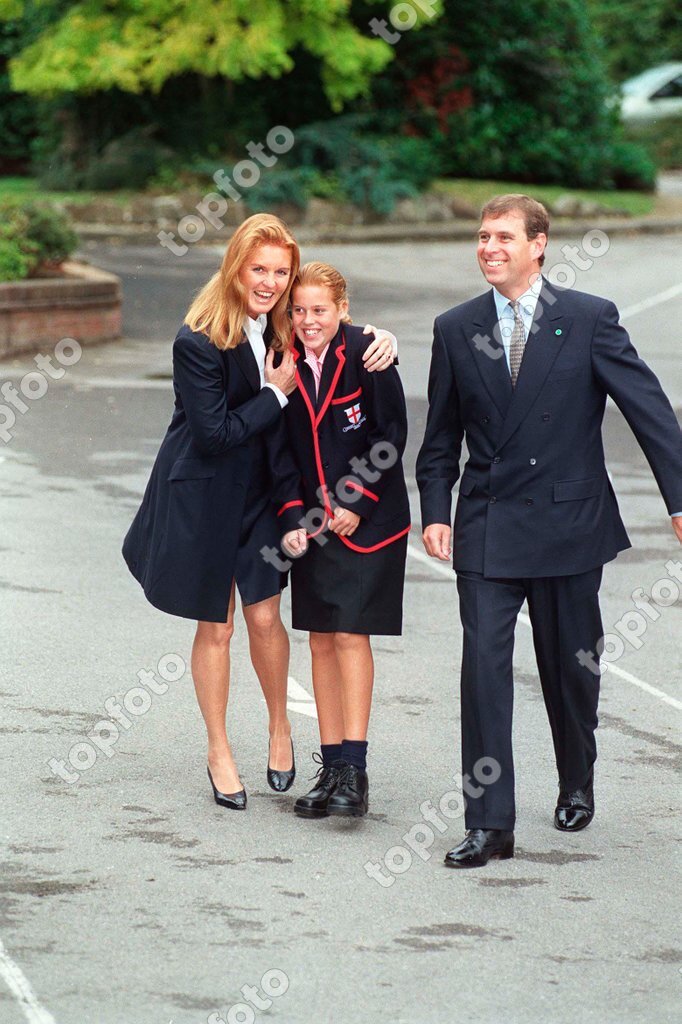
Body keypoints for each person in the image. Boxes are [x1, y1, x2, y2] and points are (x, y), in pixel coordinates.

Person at [416, 194, 682, 867]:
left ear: (539, 244)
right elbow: (439, 438)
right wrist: (437, 511)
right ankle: (490, 824)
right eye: (481, 237)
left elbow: (649, 410)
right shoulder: (456, 328)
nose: (488, 247)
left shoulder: (588, 320)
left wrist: (679, 502)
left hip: (568, 525)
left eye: (503, 236)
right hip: (488, 525)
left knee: (570, 669)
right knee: (482, 671)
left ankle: (576, 777)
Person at [122, 215, 397, 811]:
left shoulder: (283, 334)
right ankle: (219, 749)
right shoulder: (196, 339)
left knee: (266, 619)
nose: (271, 283)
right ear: (236, 268)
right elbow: (216, 434)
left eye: (281, 272)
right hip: (202, 496)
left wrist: (381, 337)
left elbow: (333, 330)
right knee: (216, 625)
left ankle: (280, 726)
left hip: (262, 498)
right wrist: (275, 393)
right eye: (259, 270)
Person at [268, 262, 410, 819]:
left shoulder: (370, 354)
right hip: (312, 522)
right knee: (320, 639)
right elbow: (279, 452)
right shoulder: (282, 361)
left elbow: (391, 434)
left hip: (369, 522)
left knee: (351, 635)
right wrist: (291, 518)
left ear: (342, 310)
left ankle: (355, 768)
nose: (307, 321)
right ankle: (330, 766)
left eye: (319, 310)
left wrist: (356, 503)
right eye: (298, 310)